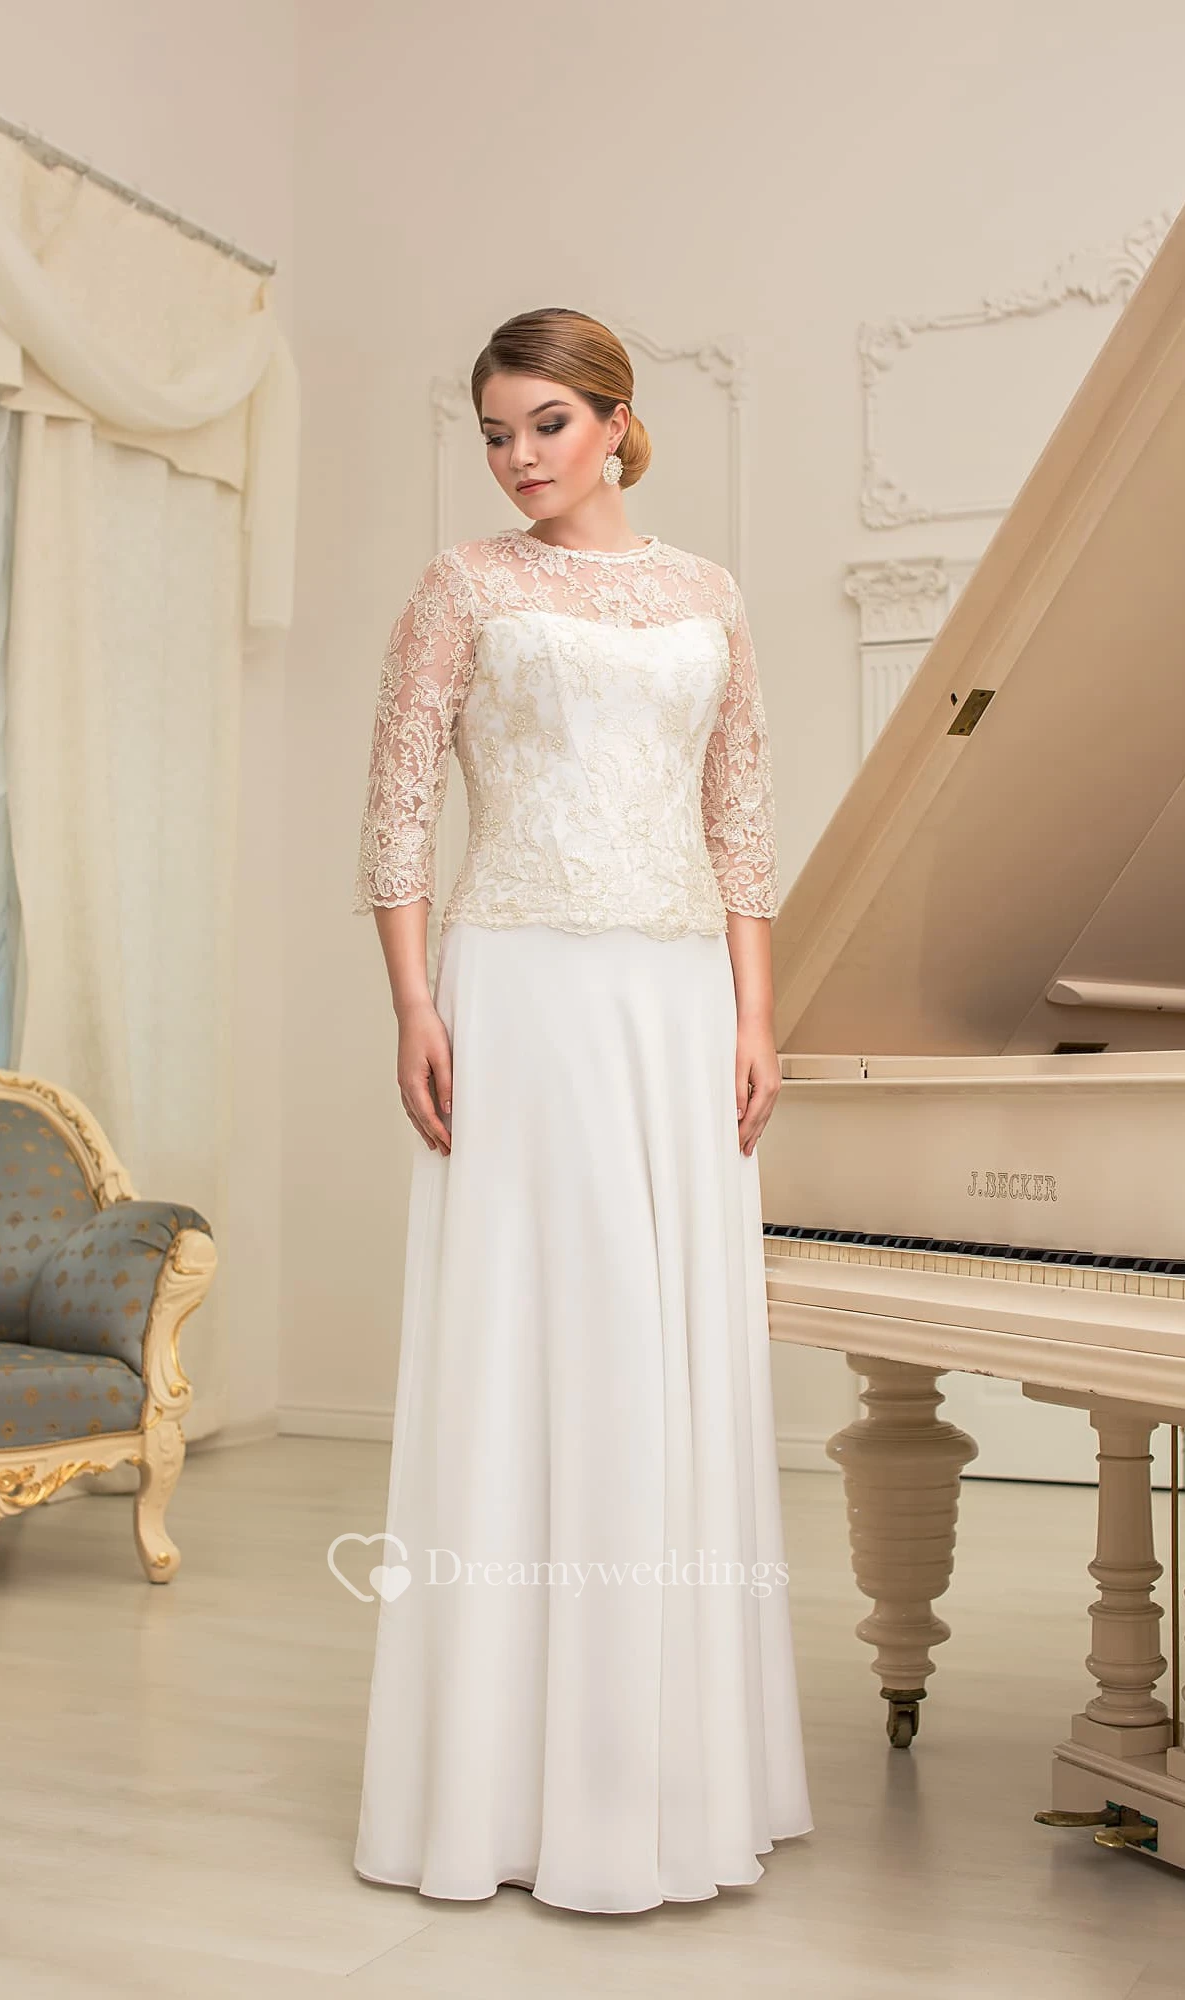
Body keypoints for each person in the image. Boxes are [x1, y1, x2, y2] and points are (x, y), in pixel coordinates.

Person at [350, 306, 812, 1915]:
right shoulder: (461, 586)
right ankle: (499, 1786)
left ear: (615, 421)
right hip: (521, 988)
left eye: (545, 423)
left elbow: (739, 812)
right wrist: (416, 1004)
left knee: (664, 1341)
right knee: (534, 1332)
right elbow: (397, 809)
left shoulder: (709, 594)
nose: (517, 457)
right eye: (494, 431)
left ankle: (672, 1780)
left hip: (674, 997)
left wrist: (753, 1014)